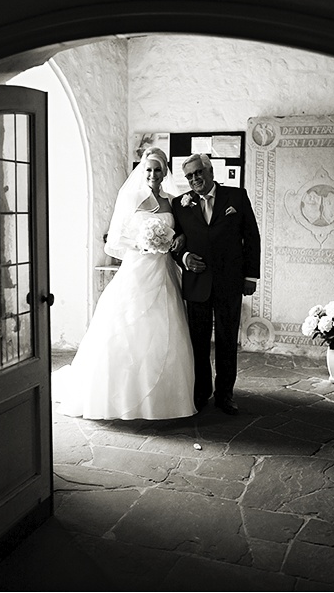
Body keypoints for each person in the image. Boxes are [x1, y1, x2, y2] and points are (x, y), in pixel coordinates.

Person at [52, 148, 197, 420]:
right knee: (128, 327)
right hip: (137, 269)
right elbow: (114, 241)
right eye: (149, 170)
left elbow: (182, 233)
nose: (153, 174)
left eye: (158, 169)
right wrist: (142, 243)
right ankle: (122, 395)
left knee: (167, 327)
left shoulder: (172, 200)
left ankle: (166, 397)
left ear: (166, 172)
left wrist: (179, 240)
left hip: (163, 271)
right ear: (143, 172)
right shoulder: (131, 197)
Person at [171, 153, 261, 416]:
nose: (194, 179)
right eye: (189, 176)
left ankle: (225, 394)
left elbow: (251, 237)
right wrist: (185, 258)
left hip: (229, 282)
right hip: (197, 283)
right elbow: (174, 242)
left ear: (209, 171)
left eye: (198, 173)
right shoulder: (180, 204)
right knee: (198, 342)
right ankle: (201, 392)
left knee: (226, 340)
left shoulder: (236, 197)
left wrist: (250, 277)